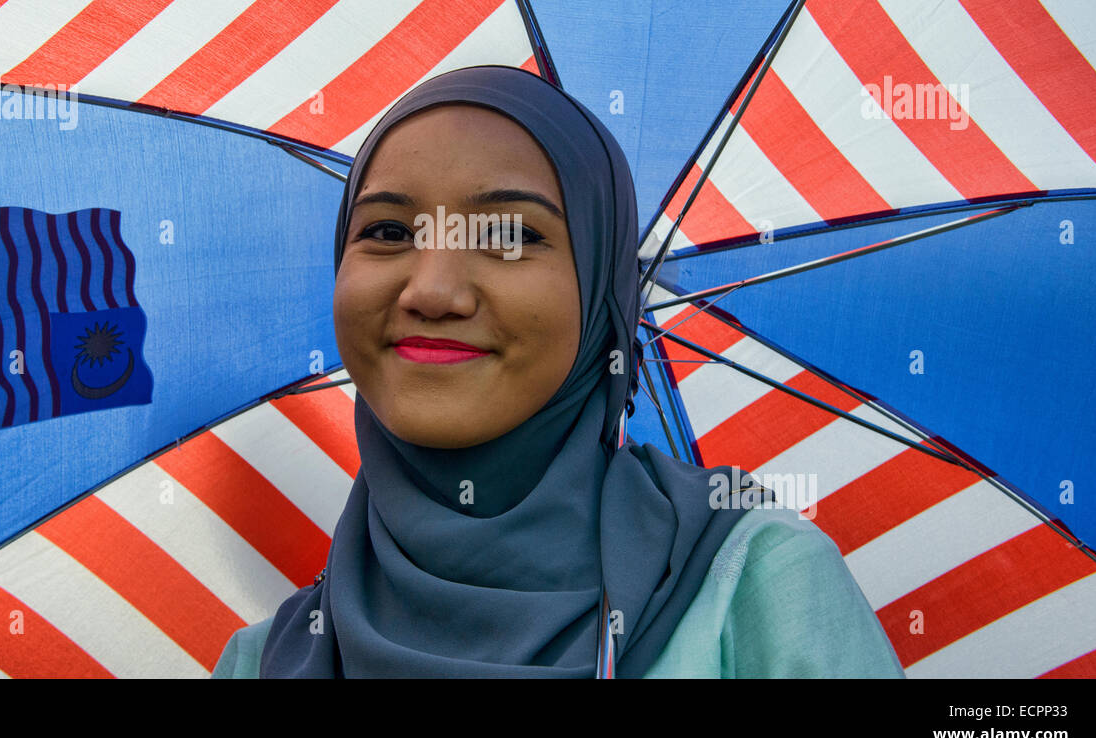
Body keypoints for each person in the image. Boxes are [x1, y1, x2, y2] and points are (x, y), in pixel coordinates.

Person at [212, 65, 903, 678]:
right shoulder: (269, 657)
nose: (431, 290)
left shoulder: (752, 587)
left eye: (509, 236)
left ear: (603, 298)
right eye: (389, 232)